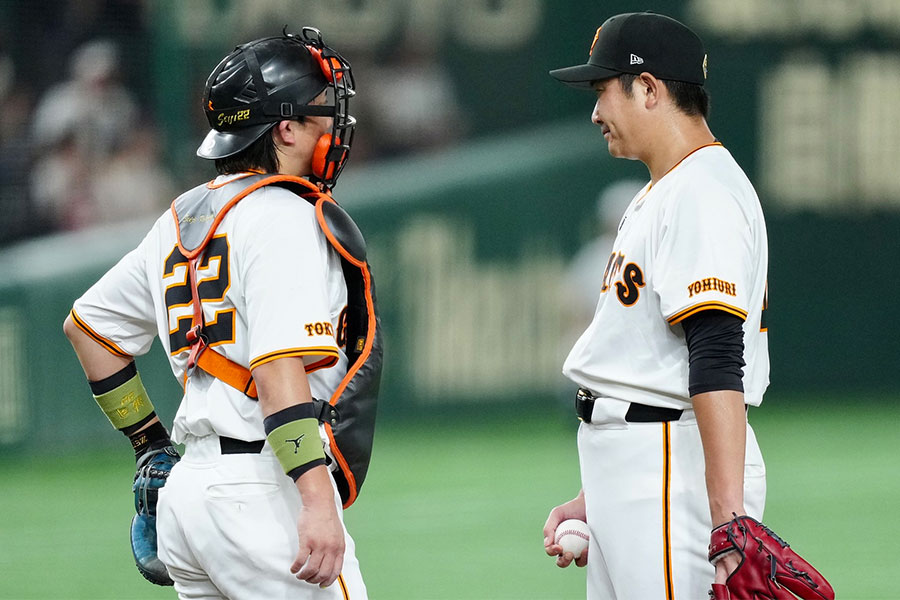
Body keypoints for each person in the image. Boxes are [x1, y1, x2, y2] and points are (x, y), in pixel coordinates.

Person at [63, 27, 381, 599]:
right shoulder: (284, 216)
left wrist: (149, 444)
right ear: (285, 128)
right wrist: (314, 499)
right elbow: (278, 373)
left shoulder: (179, 219)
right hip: (265, 489)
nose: (334, 127)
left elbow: (89, 330)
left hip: (189, 497)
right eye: (321, 114)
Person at [541, 12, 828, 598]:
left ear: (647, 89)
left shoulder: (703, 192)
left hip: (673, 471)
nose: (595, 113)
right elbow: (645, 358)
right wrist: (598, 491)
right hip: (644, 466)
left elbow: (717, 355)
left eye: (602, 92)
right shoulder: (666, 188)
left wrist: (729, 523)